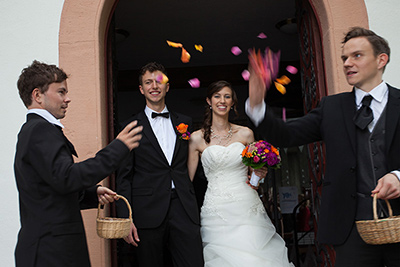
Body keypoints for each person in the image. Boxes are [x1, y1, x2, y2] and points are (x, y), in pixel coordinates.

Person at [247, 27, 400, 266]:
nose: (347, 63)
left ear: (382, 59)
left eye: (357, 56)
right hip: (351, 229)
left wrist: (399, 176)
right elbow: (287, 135)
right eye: (344, 58)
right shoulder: (331, 107)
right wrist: (257, 104)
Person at [14, 60, 143, 267]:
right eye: (61, 92)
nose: (68, 99)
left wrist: (92, 193)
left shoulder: (34, 130)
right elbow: (67, 177)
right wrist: (118, 148)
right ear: (37, 95)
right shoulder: (41, 130)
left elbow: (52, 186)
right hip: (52, 253)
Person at [187, 80, 293, 266]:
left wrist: (259, 174)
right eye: (217, 96)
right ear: (209, 101)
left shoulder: (246, 134)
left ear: (233, 102)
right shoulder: (196, 138)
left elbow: (254, 180)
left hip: (246, 205)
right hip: (215, 209)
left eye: (227, 97)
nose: (222, 101)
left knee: (254, 257)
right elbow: (186, 181)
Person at [116, 62, 204, 267]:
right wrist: (125, 218)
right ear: (141, 89)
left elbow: (194, 167)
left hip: (183, 207)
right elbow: (124, 176)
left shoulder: (186, 123)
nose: (154, 87)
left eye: (158, 82)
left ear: (167, 86)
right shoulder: (129, 127)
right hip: (147, 210)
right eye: (148, 82)